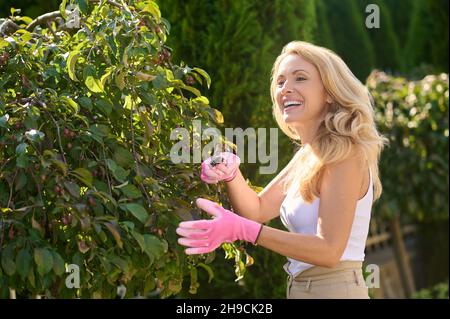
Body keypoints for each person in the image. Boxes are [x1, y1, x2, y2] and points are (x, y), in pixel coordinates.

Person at [176, 41, 387, 299]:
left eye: (300, 78)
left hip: (335, 288)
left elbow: (329, 250)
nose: (286, 89)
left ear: (329, 92)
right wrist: (232, 173)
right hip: (301, 288)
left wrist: (243, 230)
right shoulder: (308, 156)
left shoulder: (344, 154)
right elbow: (258, 210)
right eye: (280, 82)